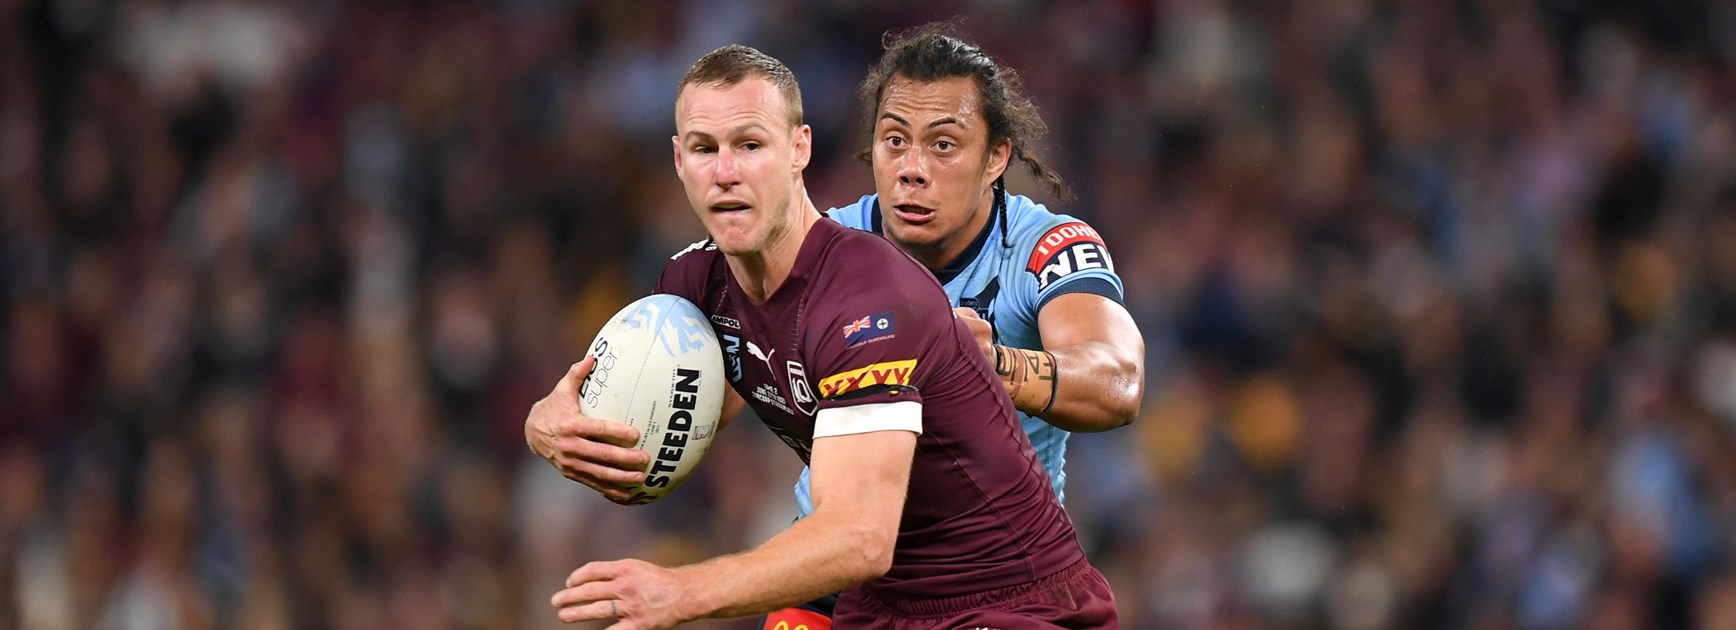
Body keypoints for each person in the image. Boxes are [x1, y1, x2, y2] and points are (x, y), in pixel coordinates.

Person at [532, 44, 1118, 628]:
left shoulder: (876, 290)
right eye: (705, 148)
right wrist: (551, 427)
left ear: (799, 149)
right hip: (867, 592)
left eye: (750, 145)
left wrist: (683, 591)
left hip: (1003, 596)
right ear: (679, 160)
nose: (725, 173)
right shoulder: (694, 284)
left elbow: (862, 536)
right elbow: (659, 415)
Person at [764, 25, 1148, 629]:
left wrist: (992, 367)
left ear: (996, 157)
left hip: (991, 583)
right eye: (895, 141)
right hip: (837, 574)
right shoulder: (820, 250)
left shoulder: (1045, 247)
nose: (912, 169)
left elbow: (1118, 382)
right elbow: (719, 363)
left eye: (943, 145)